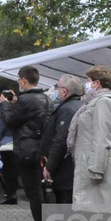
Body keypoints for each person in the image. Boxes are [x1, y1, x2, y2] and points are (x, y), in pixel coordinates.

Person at [67, 65, 111, 221]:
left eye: (88, 81)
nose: (86, 85)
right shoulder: (94, 102)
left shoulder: (103, 102)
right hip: (94, 170)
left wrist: (95, 171)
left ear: (97, 83)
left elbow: (102, 138)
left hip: (101, 173)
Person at [1, 66, 51, 221]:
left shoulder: (26, 100)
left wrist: (5, 104)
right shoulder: (46, 98)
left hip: (27, 150)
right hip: (42, 148)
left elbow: (9, 120)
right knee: (43, 193)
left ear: (23, 80)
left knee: (34, 194)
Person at [40, 74, 83, 204]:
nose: (56, 91)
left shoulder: (67, 110)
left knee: (63, 204)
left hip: (64, 168)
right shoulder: (79, 106)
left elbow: (60, 140)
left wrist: (49, 166)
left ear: (64, 91)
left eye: (58, 87)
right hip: (70, 165)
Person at [0, 89, 17, 204]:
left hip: (6, 141)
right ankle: (10, 193)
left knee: (8, 170)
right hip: (8, 140)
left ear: (3, 97)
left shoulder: (4, 107)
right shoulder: (10, 107)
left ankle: (9, 194)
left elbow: (1, 125)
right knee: (9, 170)